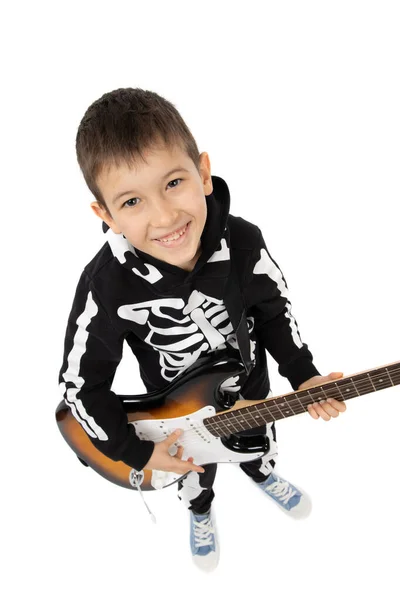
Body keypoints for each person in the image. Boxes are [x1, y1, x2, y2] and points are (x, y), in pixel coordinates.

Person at [58, 87, 347, 572]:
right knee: (194, 476)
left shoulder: (244, 241)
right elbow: (79, 388)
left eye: (173, 183)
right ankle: (200, 509)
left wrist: (305, 376)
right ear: (104, 215)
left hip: (251, 392)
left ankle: (262, 475)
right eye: (131, 201)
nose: (166, 217)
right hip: (174, 415)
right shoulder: (104, 285)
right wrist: (136, 453)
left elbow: (276, 313)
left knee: (260, 446)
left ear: (204, 172)